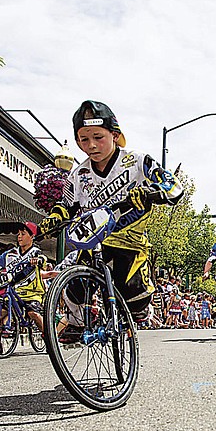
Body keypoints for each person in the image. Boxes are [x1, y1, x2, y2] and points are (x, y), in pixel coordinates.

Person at [37, 101, 183, 341]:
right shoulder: (78, 174)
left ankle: (136, 310)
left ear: (115, 135)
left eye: (98, 137)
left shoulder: (138, 160)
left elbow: (174, 187)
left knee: (134, 294)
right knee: (73, 288)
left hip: (129, 241)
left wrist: (151, 193)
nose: (91, 145)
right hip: (92, 241)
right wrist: (53, 218)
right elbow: (65, 205)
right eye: (83, 140)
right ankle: (77, 322)